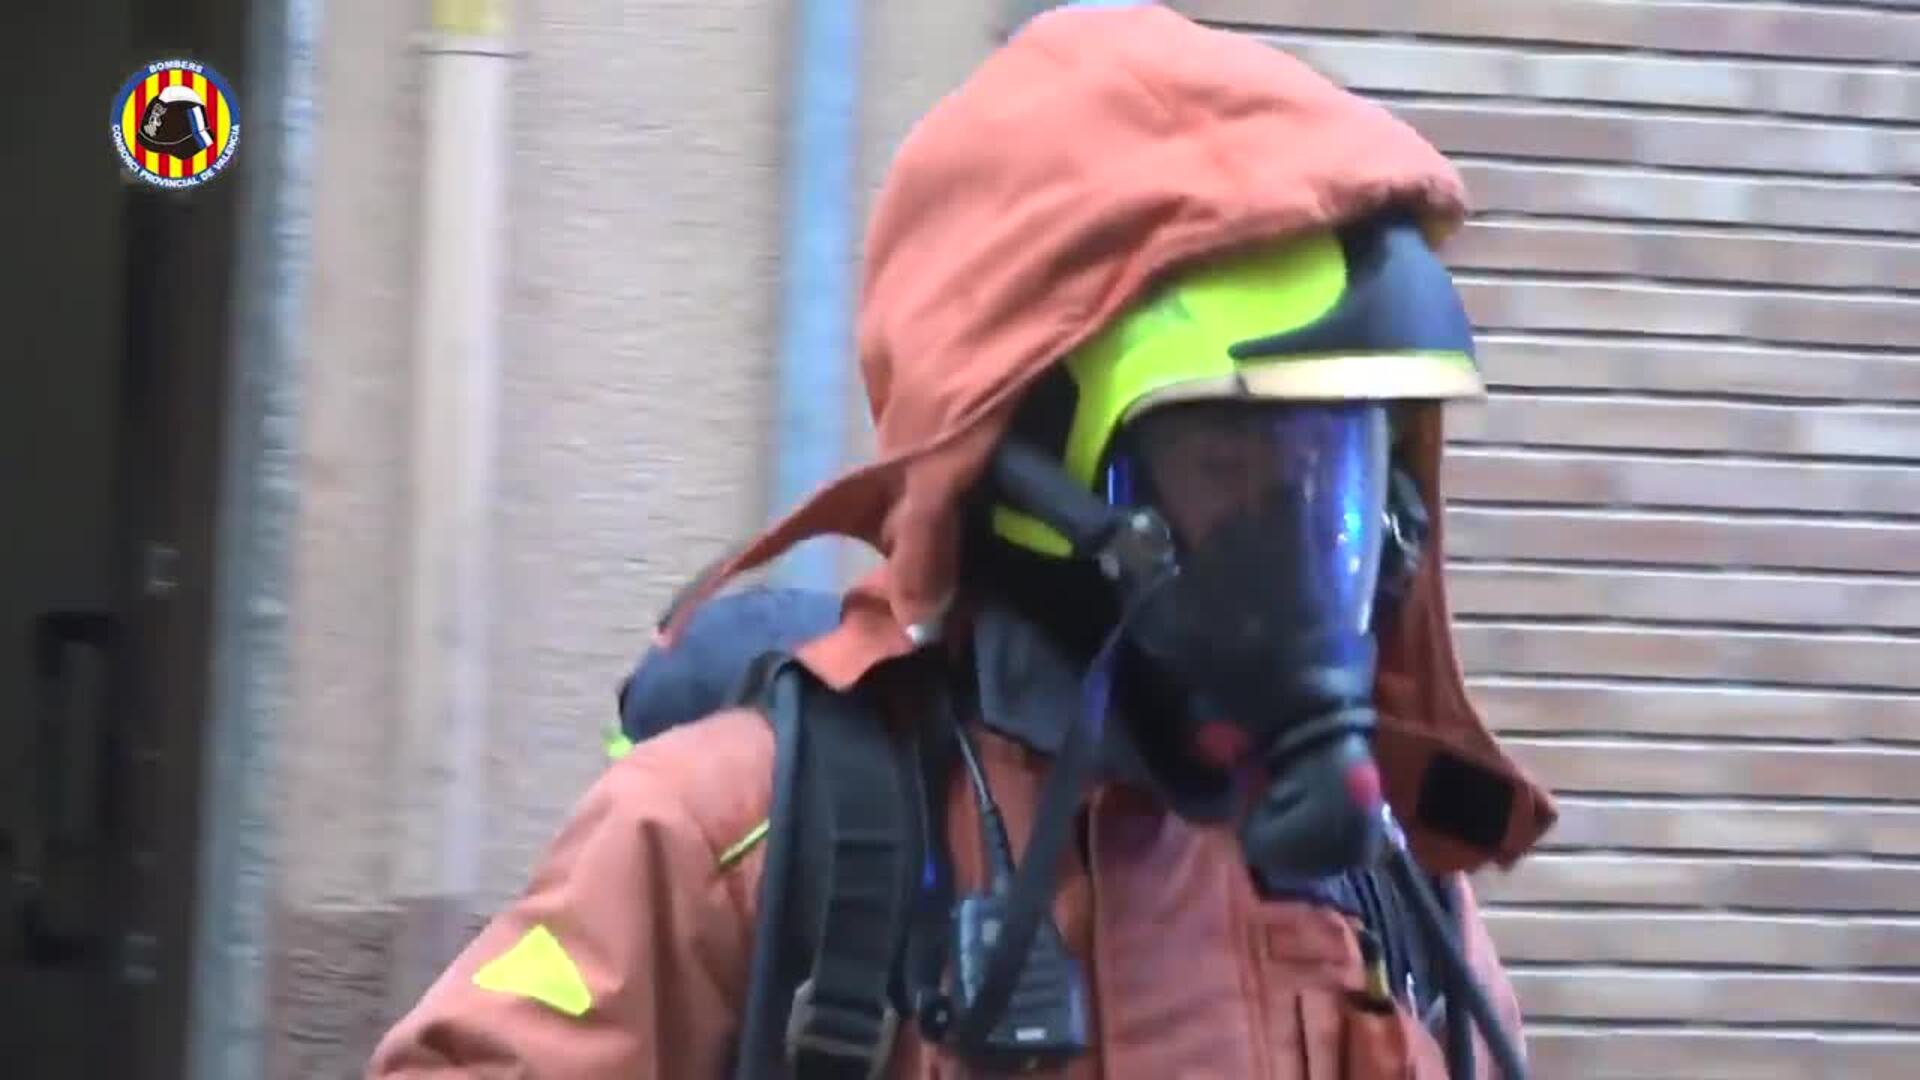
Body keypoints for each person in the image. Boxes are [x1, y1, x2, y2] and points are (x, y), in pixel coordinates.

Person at [368, 4, 1557, 1077]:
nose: (1299, 546)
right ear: (1028, 470)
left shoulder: (1390, 888)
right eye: (1228, 471)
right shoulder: (743, 834)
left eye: (1336, 477)